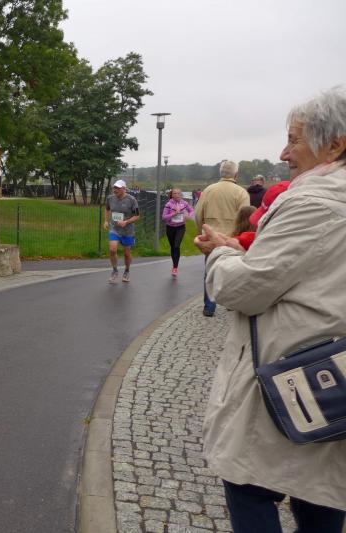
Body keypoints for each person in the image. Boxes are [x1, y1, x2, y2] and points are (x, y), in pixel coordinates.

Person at [194, 87, 346, 532]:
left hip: (291, 377)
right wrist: (242, 250)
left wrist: (221, 255)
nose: (283, 153)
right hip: (334, 378)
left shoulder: (315, 201)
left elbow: (245, 289)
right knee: (321, 490)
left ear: (334, 145)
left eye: (294, 140)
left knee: (248, 485)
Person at [194, 160, 249, 316]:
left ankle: (209, 306)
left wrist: (202, 231)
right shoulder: (241, 192)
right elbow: (245, 218)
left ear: (221, 173)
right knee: (233, 271)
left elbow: (198, 213)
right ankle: (231, 302)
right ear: (236, 174)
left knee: (209, 270)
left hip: (211, 236)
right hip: (232, 239)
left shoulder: (209, 190)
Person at [103, 179, 140, 283]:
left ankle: (127, 271)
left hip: (127, 231)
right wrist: (106, 221)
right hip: (114, 229)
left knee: (127, 254)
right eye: (114, 188)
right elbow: (107, 209)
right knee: (112, 249)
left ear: (124, 189)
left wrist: (126, 222)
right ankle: (115, 271)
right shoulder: (110, 198)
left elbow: (137, 216)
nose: (115, 190)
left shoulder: (132, 200)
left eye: (118, 188)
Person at [161, 188, 194, 277]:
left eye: (178, 193)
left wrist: (188, 216)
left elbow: (191, 210)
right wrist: (174, 214)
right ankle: (174, 264)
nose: (177, 195)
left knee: (176, 246)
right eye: (175, 193)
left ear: (181, 194)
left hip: (180, 227)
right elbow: (164, 217)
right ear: (172, 195)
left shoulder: (184, 203)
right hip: (170, 228)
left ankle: (175, 267)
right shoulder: (168, 204)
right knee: (173, 247)